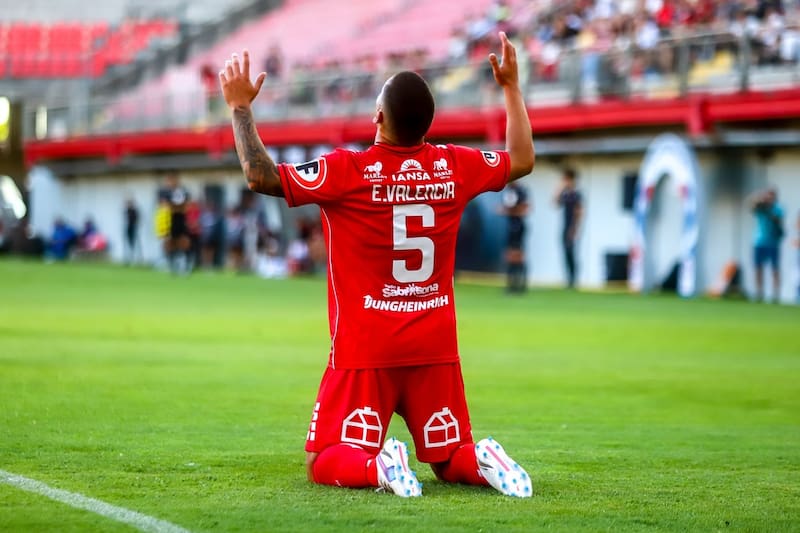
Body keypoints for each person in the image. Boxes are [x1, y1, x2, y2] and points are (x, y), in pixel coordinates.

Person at [219, 32, 535, 498]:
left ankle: (380, 466)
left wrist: (240, 107)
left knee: (323, 459)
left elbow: (259, 175)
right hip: (435, 340)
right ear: (427, 124)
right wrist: (510, 87)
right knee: (449, 456)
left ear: (379, 117)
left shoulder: (347, 171)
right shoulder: (455, 165)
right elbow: (522, 160)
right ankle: (485, 458)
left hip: (368, 344)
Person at [750, 188, 785, 303]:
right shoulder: (761, 207)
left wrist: (769, 210)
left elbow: (777, 220)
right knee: (758, 268)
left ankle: (776, 295)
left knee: (775, 269)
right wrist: (758, 198)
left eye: (771, 197)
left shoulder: (778, 209)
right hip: (759, 242)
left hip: (773, 243)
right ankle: (759, 293)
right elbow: (751, 205)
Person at [554, 168, 583, 288]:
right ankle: (568, 279)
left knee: (571, 253)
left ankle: (573, 279)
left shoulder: (577, 194)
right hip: (565, 226)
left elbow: (579, 212)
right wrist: (560, 188)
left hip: (572, 226)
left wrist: (575, 228)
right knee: (565, 252)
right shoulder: (565, 194)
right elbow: (555, 202)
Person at [500, 181, 531, 293]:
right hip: (510, 226)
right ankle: (511, 284)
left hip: (518, 226)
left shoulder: (521, 191)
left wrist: (509, 211)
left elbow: (525, 209)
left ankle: (520, 283)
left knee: (518, 254)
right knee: (509, 254)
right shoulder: (508, 191)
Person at [123, 198, 140, 265]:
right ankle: (128, 258)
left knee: (134, 243)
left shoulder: (134, 211)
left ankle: (135, 258)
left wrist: (136, 225)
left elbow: (137, 219)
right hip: (128, 228)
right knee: (128, 243)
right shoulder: (127, 210)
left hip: (133, 228)